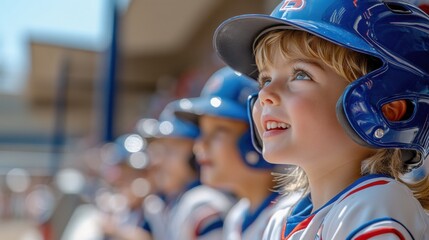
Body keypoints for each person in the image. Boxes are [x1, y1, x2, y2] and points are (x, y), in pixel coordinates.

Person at [214, 0, 429, 239]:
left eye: (300, 74)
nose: (265, 94)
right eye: (265, 79)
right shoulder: (280, 219)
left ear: (387, 108)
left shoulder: (376, 205)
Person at [175, 66, 300, 240]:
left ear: (255, 136)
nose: (200, 145)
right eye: (202, 132)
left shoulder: (295, 215)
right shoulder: (238, 216)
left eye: (218, 131)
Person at [140, 100, 235, 240]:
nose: (157, 162)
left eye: (170, 151)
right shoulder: (173, 201)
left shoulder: (204, 204)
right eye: (159, 151)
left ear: (194, 156)